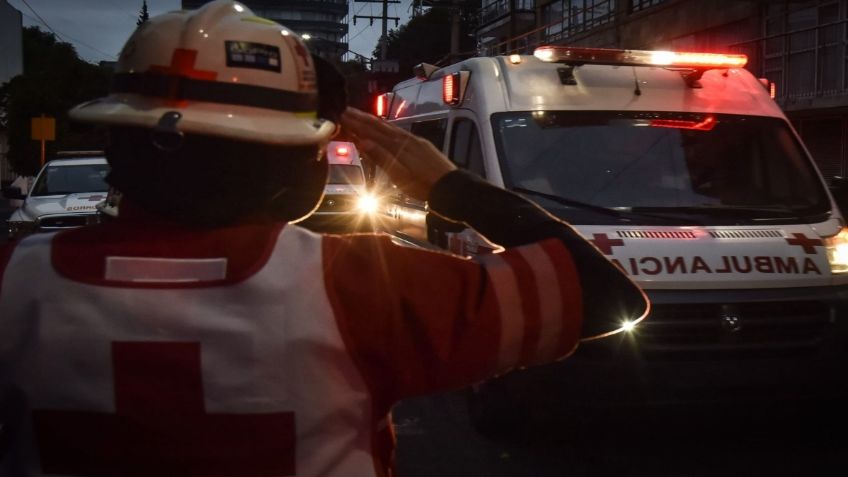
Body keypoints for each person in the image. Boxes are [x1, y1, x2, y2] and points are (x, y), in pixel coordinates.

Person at [0, 1, 648, 476]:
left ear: (115, 141)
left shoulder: (16, 281)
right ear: (296, 162)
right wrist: (449, 186)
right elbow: (605, 298)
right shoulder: (353, 287)